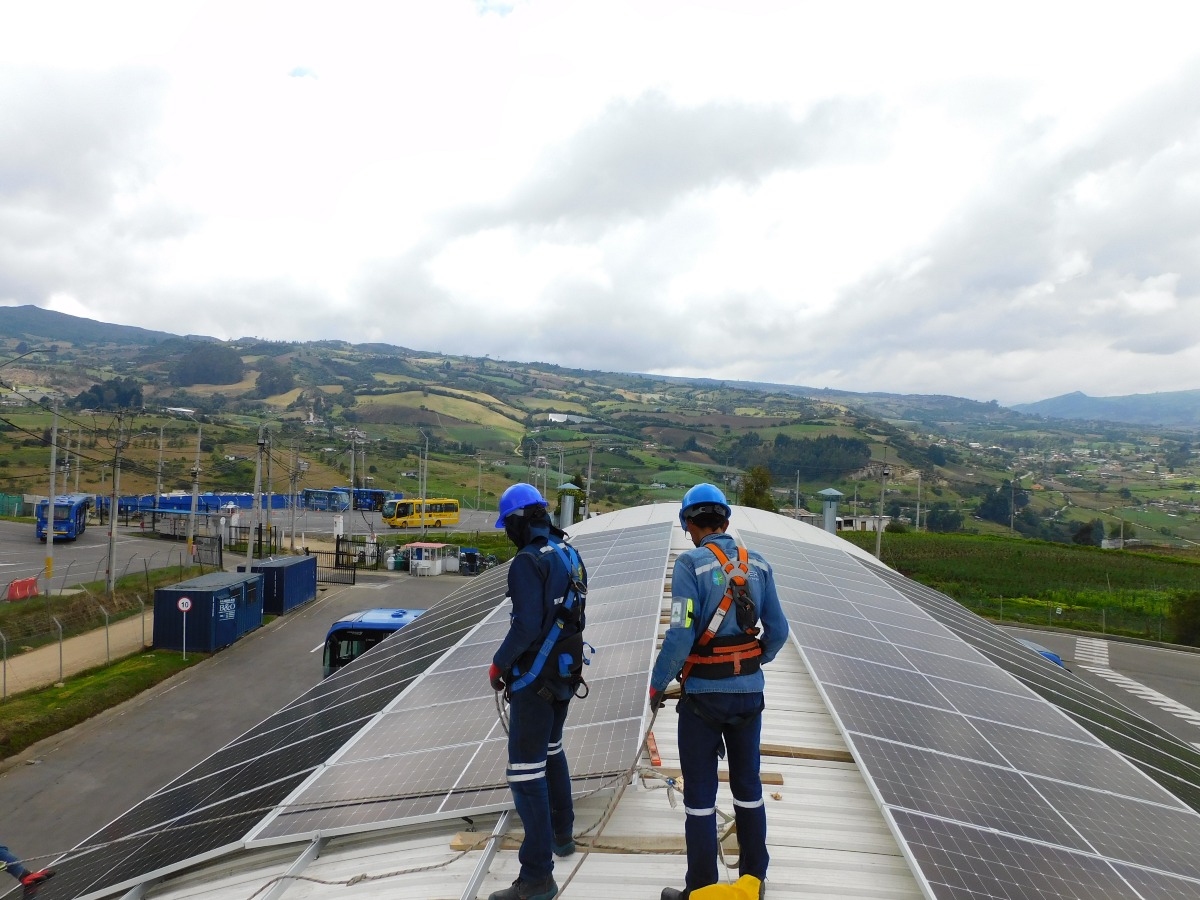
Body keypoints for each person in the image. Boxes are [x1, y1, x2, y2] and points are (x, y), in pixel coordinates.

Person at [649, 483, 789, 900]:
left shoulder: (690, 564)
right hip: (749, 696)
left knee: (700, 795)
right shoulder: (760, 565)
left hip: (704, 700)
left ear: (689, 523)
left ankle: (702, 888)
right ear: (726, 521)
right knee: (748, 787)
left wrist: (657, 684)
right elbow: (778, 633)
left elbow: (679, 635)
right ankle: (754, 881)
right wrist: (748, 662)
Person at [487, 483, 590, 900]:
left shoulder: (528, 562)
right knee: (552, 752)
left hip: (534, 679)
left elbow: (526, 625)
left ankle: (536, 878)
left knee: (525, 773)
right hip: (566, 674)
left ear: (517, 522)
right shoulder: (569, 553)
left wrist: (499, 664)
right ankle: (562, 836)